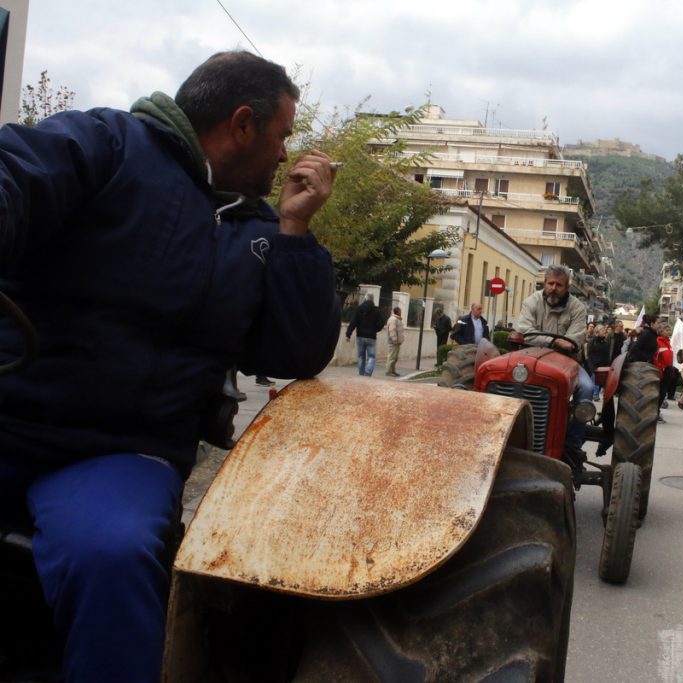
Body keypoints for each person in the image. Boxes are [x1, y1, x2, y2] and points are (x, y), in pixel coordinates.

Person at [0, 51, 342, 682]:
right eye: (282, 136)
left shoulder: (260, 230)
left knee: (113, 554)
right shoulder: (108, 144)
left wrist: (295, 230)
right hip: (10, 416)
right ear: (242, 124)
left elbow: (293, 353)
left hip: (115, 454)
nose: (285, 153)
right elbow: (15, 171)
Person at [516, 265, 591, 450]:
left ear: (567, 287)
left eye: (559, 285)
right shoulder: (531, 302)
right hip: (531, 357)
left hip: (566, 361)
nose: (553, 288)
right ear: (544, 283)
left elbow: (574, 339)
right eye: (550, 283)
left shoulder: (578, 308)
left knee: (587, 388)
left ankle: (573, 441)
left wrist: (550, 341)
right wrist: (555, 341)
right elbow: (525, 331)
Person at [346, 293, 384, 376]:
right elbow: (381, 323)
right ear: (373, 300)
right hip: (371, 337)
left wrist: (348, 334)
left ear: (365, 299)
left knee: (361, 356)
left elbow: (353, 322)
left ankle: (361, 373)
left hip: (360, 336)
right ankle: (368, 371)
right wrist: (375, 330)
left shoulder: (359, 309)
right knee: (371, 356)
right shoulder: (376, 310)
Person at [654, 323, 676, 422]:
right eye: (667, 330)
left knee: (663, 393)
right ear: (661, 331)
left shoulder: (668, 342)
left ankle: (657, 412)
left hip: (668, 370)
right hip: (660, 371)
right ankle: (654, 413)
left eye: (669, 330)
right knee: (659, 393)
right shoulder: (658, 342)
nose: (669, 332)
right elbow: (656, 357)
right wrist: (660, 368)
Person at [587, 324, 611, 400]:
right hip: (595, 366)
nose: (605, 332)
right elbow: (590, 355)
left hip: (603, 366)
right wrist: (593, 366)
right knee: (594, 381)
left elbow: (607, 355)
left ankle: (593, 394)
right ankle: (594, 395)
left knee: (598, 382)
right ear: (598, 331)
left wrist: (607, 364)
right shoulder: (592, 342)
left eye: (604, 330)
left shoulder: (605, 342)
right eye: (603, 330)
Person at [384, 306, 405, 377]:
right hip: (393, 342)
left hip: (396, 342)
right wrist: (395, 340)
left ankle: (392, 371)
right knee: (392, 357)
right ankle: (388, 371)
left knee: (395, 357)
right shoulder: (393, 319)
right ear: (398, 312)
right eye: (400, 311)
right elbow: (392, 330)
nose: (401, 312)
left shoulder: (397, 319)